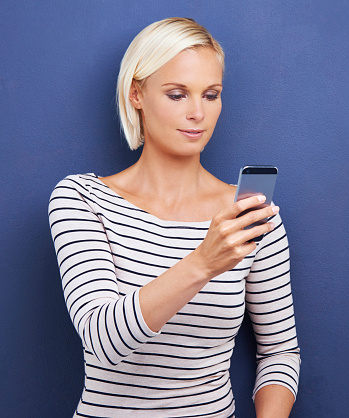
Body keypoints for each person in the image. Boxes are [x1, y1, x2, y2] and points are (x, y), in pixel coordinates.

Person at [49, 17, 300, 418]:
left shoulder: (249, 217)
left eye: (211, 94)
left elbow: (280, 351)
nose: (197, 113)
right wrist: (203, 263)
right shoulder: (82, 198)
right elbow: (103, 340)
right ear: (136, 94)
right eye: (177, 94)